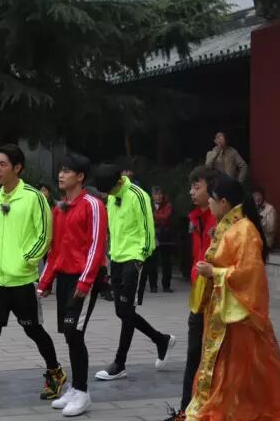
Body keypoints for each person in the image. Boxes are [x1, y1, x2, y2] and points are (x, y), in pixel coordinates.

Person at [184, 176, 280, 421]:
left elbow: (249, 273)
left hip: (238, 317)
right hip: (224, 311)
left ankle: (239, 412)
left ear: (224, 202)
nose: (209, 204)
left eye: (212, 199)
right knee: (229, 369)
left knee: (242, 370)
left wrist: (214, 272)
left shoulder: (244, 230)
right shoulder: (229, 226)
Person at [0, 144, 66, 411]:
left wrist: (25, 260)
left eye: (3, 164)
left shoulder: (33, 198)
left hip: (22, 281)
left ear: (17, 168)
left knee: (33, 329)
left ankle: (55, 372)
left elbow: (45, 235)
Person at [37, 154, 108, 416]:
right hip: (65, 279)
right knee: (69, 334)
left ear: (80, 177)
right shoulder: (60, 208)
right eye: (61, 170)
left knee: (74, 333)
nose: (61, 175)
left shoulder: (93, 205)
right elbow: (55, 250)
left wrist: (86, 281)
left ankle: (82, 392)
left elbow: (97, 246)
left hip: (84, 279)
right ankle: (75, 389)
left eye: (67, 171)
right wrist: (45, 282)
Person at [93, 164, 175, 381]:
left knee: (126, 310)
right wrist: (109, 254)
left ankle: (119, 363)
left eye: (109, 191)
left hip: (134, 258)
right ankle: (161, 340)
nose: (107, 195)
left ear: (119, 182)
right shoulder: (112, 197)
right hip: (117, 258)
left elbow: (147, 229)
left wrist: (140, 258)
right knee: (122, 311)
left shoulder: (138, 195)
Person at [164, 166, 221, 421]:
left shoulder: (222, 220)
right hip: (199, 296)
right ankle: (186, 410)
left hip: (218, 298)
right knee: (193, 355)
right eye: (191, 187)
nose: (191, 192)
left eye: (197, 187)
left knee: (214, 359)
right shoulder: (196, 217)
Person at [146, 186, 175, 293]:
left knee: (166, 263)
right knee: (152, 263)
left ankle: (166, 286)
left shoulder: (168, 205)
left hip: (166, 237)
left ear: (163, 195)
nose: (158, 196)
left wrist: (153, 216)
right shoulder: (148, 205)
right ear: (152, 196)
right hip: (153, 236)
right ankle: (153, 286)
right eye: (155, 194)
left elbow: (166, 217)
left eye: (159, 194)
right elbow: (146, 218)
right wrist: (158, 217)